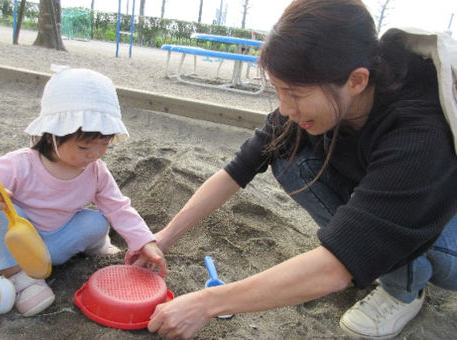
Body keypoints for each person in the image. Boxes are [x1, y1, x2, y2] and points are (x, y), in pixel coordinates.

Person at [143, 0, 457, 339]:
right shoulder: (325, 99)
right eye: (278, 91)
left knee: (368, 245)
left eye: (294, 93)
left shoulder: (418, 133)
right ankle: (390, 266)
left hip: (446, 233)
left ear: (356, 80)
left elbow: (337, 267)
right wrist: (165, 236)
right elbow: (238, 168)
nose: (285, 108)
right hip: (386, 207)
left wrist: (205, 303)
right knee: (287, 157)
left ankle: (402, 293)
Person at [0, 67, 167, 317]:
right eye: (84, 146)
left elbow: (118, 207)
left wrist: (144, 242)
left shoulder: (96, 171)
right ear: (53, 134)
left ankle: (96, 247)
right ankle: (22, 280)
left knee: (97, 221)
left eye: (104, 145)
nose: (95, 154)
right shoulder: (19, 164)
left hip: (57, 243)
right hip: (15, 246)